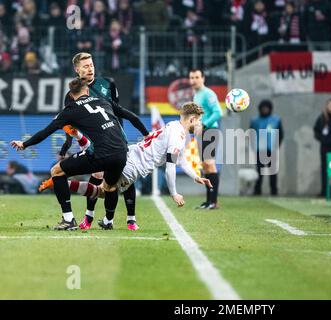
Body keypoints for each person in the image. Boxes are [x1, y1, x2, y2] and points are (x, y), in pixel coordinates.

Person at [41, 102, 213, 228]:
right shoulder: (179, 136)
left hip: (130, 154)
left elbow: (181, 159)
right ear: (192, 118)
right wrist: (174, 193)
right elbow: (169, 167)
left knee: (101, 181)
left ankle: (61, 181)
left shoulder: (174, 126)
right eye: (199, 120)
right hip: (133, 166)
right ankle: (61, 182)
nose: (199, 124)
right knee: (102, 191)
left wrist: (196, 177)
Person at [10, 77, 129, 231]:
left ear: (71, 95)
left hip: (101, 153)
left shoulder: (71, 110)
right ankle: (108, 222)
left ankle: (68, 220)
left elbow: (46, 132)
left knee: (57, 171)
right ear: (87, 90)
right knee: (110, 187)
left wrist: (25, 144)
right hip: (121, 153)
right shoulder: (103, 101)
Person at [59, 52, 150, 230]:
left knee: (125, 175)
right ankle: (90, 217)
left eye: (91, 65)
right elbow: (69, 123)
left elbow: (118, 111)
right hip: (94, 140)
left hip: (115, 137)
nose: (90, 68)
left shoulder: (107, 84)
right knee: (98, 175)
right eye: (85, 66)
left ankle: (130, 219)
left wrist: (121, 135)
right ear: (77, 70)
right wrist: (67, 142)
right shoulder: (72, 95)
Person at [189, 69, 223, 210]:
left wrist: (204, 124)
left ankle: (213, 201)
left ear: (203, 78)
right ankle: (209, 201)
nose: (194, 80)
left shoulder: (208, 93)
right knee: (205, 165)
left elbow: (218, 112)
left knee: (210, 164)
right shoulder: (196, 95)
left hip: (210, 131)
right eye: (192, 77)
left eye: (197, 77)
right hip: (203, 132)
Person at [250, 100, 284, 196]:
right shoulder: (255, 121)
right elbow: (251, 134)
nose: (265, 110)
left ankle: (274, 191)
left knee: (272, 172)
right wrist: (253, 146)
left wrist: (276, 146)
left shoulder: (276, 120)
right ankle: (257, 191)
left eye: (266, 108)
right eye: (263, 108)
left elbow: (281, 134)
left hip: (272, 150)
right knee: (259, 171)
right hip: (259, 150)